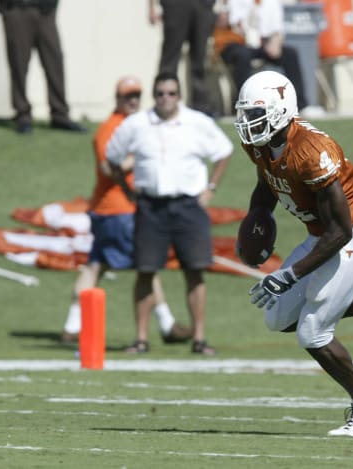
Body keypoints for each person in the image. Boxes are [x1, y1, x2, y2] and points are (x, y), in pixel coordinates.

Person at [233, 70, 353, 437]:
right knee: (277, 318)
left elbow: (341, 230)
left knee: (312, 331)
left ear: (281, 111)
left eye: (255, 115)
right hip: (324, 234)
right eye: (245, 115)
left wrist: (289, 274)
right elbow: (267, 183)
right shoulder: (260, 144)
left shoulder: (313, 150)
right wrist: (258, 217)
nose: (248, 124)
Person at [106, 71, 232, 355]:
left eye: (171, 93)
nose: (166, 99)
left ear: (179, 95)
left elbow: (224, 151)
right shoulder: (136, 124)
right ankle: (140, 338)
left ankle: (199, 338)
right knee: (145, 270)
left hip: (188, 204)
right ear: (154, 95)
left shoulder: (197, 123)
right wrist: (126, 191)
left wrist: (210, 188)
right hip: (151, 205)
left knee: (195, 269)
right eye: (161, 93)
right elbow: (112, 158)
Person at [60, 76, 192, 346]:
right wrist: (142, 157)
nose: (133, 100)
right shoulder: (113, 127)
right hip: (119, 208)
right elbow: (109, 166)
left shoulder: (133, 125)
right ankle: (166, 324)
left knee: (96, 265)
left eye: (137, 95)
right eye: (127, 96)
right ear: (117, 98)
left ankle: (73, 324)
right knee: (147, 266)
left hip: (111, 209)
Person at [213, 0, 318, 115]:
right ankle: (245, 105)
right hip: (235, 42)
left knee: (290, 54)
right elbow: (224, 20)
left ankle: (301, 105)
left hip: (261, 42)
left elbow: (277, 29)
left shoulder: (270, 2)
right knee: (243, 55)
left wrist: (275, 42)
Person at [0, 0, 87, 134]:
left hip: (45, 10)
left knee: (54, 62)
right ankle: (23, 115)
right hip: (17, 8)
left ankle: (60, 115)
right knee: (19, 64)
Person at [148, 0, 216, 114]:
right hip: (176, 4)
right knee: (170, 57)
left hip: (203, 4)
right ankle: (164, 101)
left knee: (200, 59)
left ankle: (201, 107)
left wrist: (224, 7)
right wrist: (151, 8)